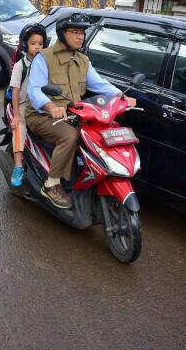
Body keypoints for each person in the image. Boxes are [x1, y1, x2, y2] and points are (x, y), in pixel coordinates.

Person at [26, 13, 136, 209]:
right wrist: (51, 106)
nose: (80, 36)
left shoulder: (83, 60)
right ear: (62, 34)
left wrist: (121, 97)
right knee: (70, 135)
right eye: (75, 32)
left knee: (96, 133)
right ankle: (51, 184)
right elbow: (34, 90)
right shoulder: (45, 57)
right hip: (42, 115)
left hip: (72, 115)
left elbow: (99, 83)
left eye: (82, 32)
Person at [9, 24, 48, 187]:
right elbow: (15, 91)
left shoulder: (46, 63)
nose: (37, 47)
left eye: (40, 43)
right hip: (25, 104)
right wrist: (17, 114)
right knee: (19, 128)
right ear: (25, 44)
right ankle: (18, 166)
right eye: (33, 43)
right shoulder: (20, 66)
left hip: (43, 103)